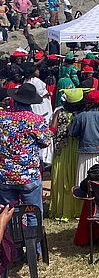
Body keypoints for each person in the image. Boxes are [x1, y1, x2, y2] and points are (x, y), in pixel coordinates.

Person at [0, 83, 51, 222]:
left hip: (5, 174)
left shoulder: (2, 116)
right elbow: (45, 142)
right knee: (33, 215)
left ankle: (10, 244)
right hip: (29, 176)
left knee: (7, 215)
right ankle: (34, 244)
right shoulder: (36, 120)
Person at [49, 88, 86, 220]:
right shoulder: (82, 114)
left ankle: (61, 208)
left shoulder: (59, 112)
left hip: (62, 149)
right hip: (77, 148)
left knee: (61, 176)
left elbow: (52, 130)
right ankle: (77, 209)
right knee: (75, 176)